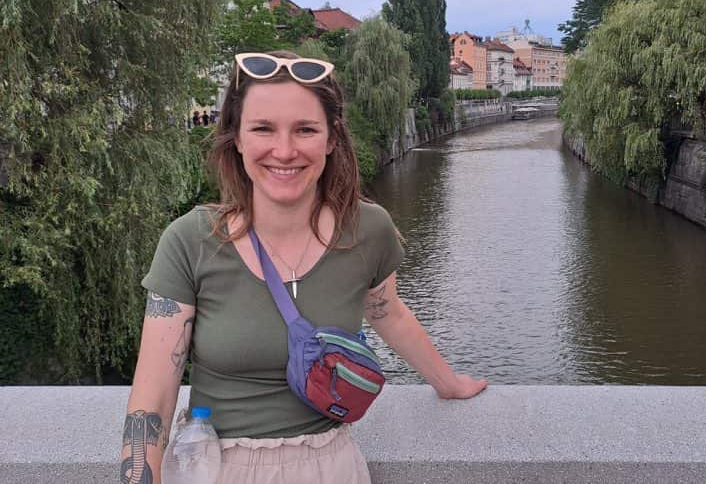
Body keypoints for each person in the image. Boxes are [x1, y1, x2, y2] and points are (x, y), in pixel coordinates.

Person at [121, 51, 487, 484]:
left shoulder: (367, 229)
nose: (285, 150)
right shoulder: (190, 240)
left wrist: (448, 384)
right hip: (218, 469)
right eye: (262, 129)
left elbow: (389, 311)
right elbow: (153, 396)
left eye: (306, 130)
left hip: (332, 466)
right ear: (236, 138)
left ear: (331, 140)